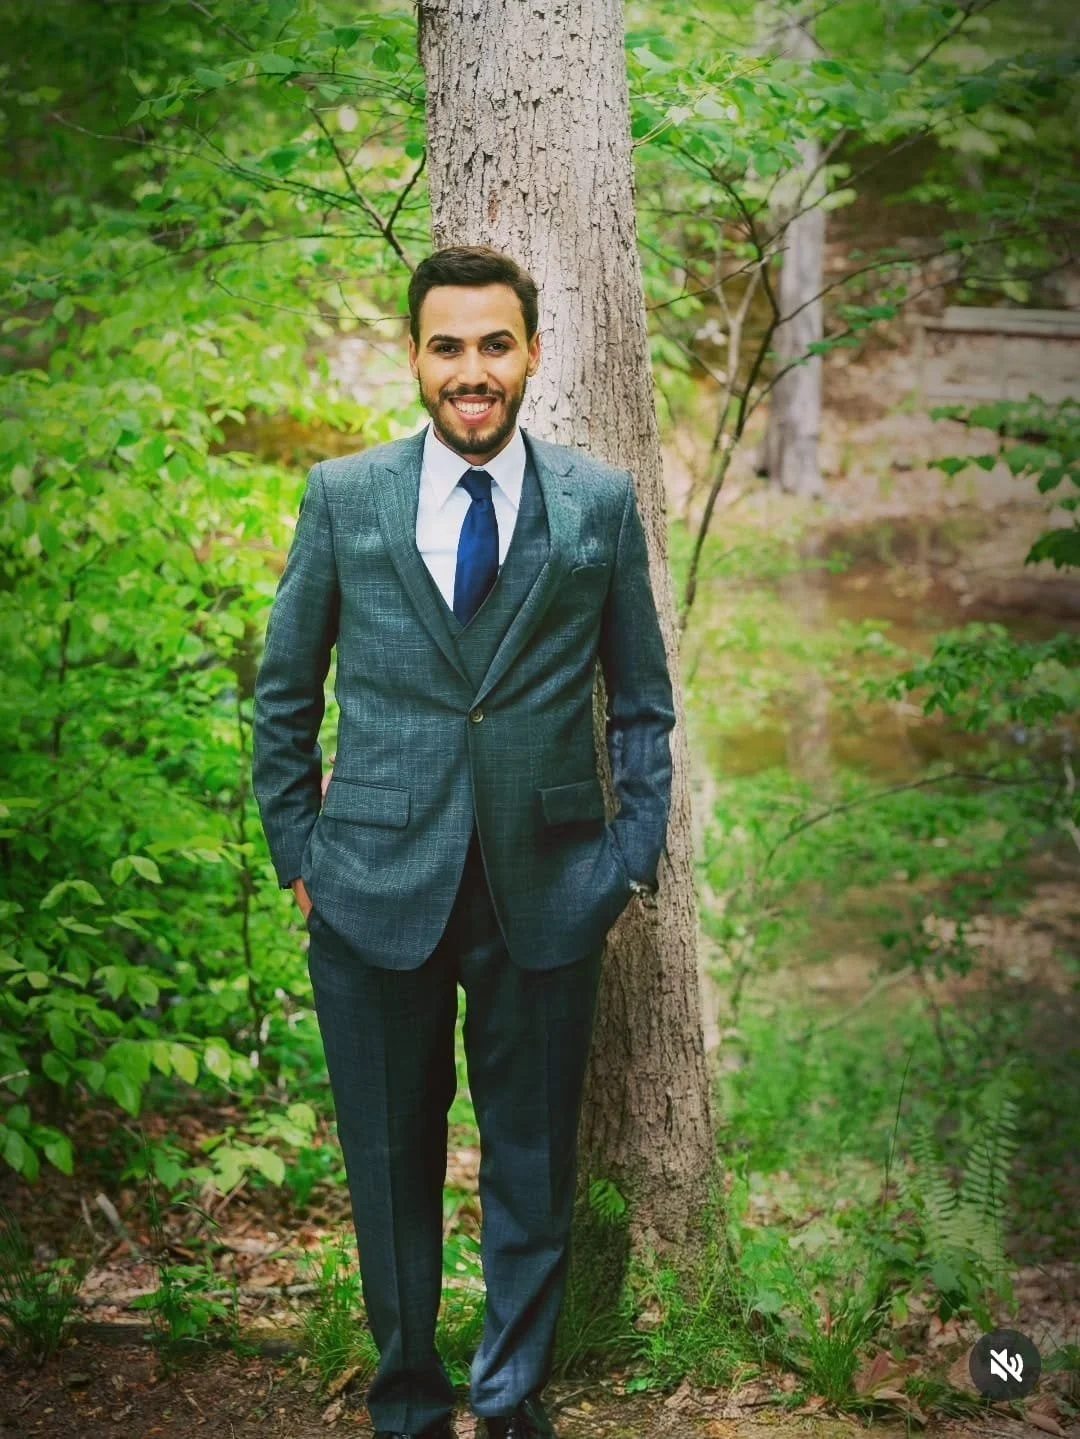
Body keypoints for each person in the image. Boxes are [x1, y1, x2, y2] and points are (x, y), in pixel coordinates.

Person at [252, 245, 675, 1439]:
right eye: (449, 346)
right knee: (389, 1158)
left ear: (533, 352)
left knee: (531, 1157)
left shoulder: (596, 501)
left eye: (496, 344)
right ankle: (407, 1394)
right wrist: (301, 855)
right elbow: (285, 693)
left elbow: (641, 699)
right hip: (374, 882)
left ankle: (512, 1389)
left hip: (547, 884)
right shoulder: (347, 497)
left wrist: (627, 855)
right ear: (416, 360)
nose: (472, 370)